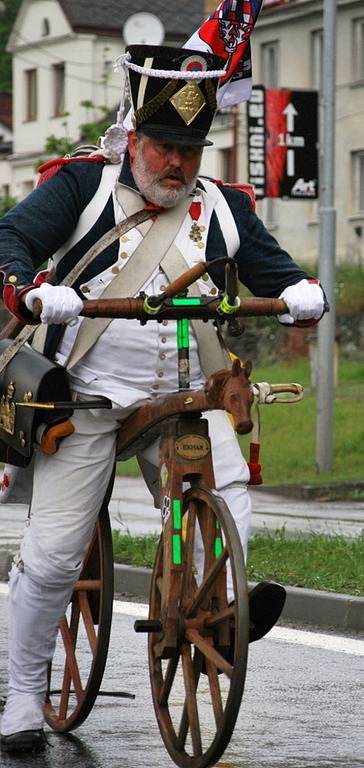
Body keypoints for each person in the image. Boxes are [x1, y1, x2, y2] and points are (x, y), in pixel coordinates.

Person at [0, 45, 325, 753]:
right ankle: (22, 692)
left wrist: (300, 291)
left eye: (190, 148)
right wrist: (31, 288)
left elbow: (272, 267)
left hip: (185, 393)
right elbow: (14, 236)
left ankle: (219, 598)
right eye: (164, 146)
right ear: (134, 140)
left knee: (228, 477)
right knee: (55, 556)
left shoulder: (223, 206)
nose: (177, 164)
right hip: (86, 397)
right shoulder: (81, 187)